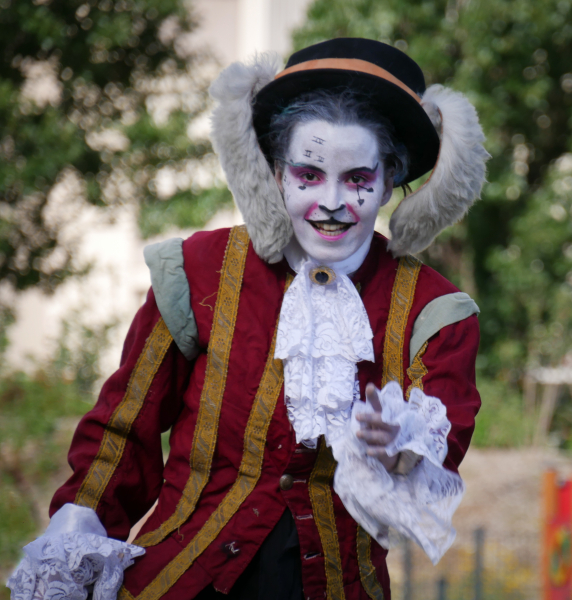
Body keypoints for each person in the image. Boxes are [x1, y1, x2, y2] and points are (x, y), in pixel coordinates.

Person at [8, 38, 489, 600]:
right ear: (277, 173)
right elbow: (123, 431)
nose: (332, 201)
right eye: (308, 174)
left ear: (389, 180)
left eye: (358, 178)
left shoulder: (433, 310)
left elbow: (444, 432)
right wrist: (77, 530)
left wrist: (401, 447)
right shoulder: (199, 271)